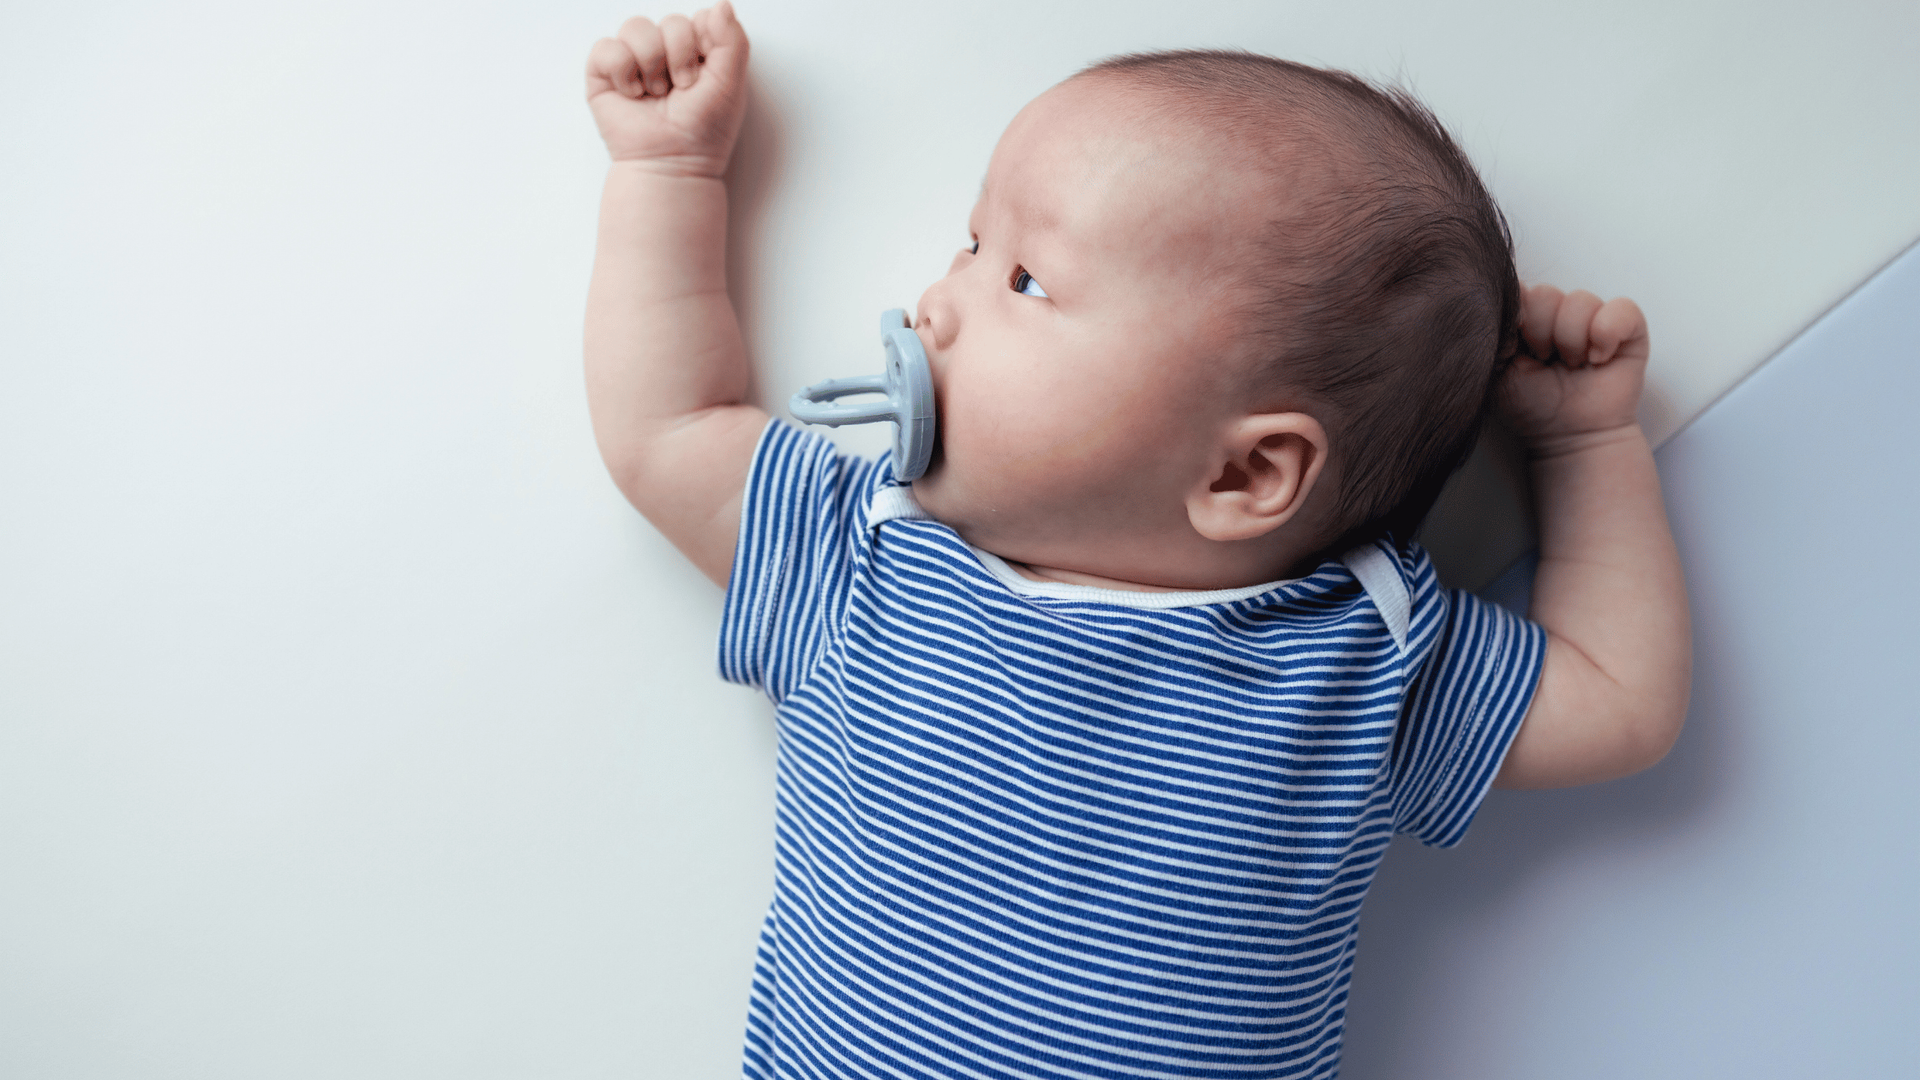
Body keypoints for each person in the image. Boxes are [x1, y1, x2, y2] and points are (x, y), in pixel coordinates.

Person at [582, 4, 1692, 1077]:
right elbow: (669, 434)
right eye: (970, 245)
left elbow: (1618, 703)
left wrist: (1588, 446)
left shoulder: (1355, 656)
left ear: (1245, 473)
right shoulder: (864, 556)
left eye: (1025, 280)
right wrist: (669, 174)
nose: (937, 302)